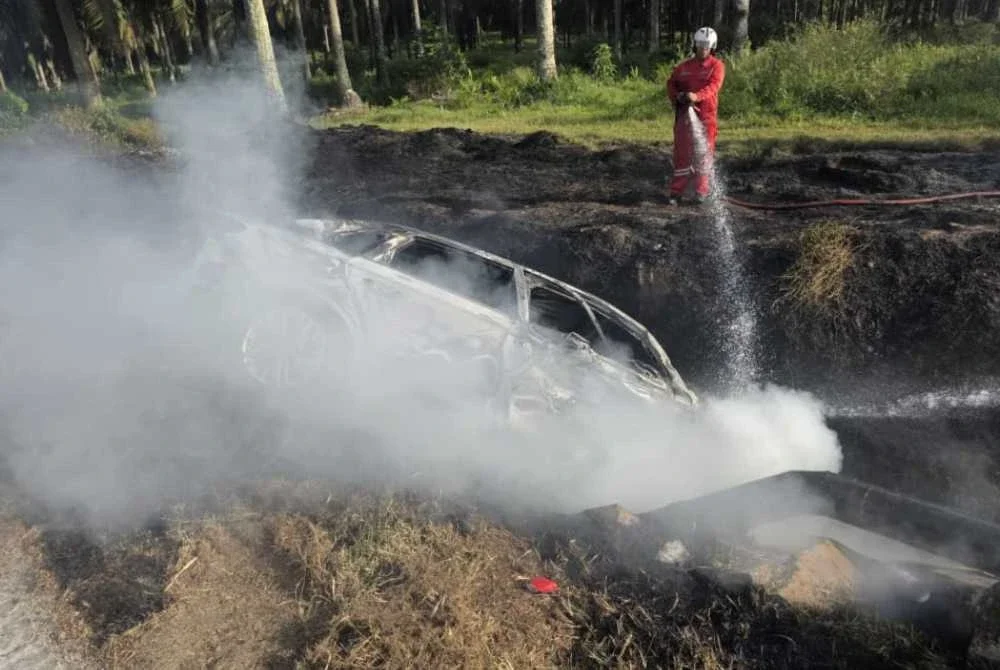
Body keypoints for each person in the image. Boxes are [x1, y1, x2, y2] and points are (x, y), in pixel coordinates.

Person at [666, 27, 726, 205]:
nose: (703, 48)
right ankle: (677, 191)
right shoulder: (684, 67)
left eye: (706, 45)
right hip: (684, 117)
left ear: (712, 46)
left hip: (706, 117)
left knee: (703, 153)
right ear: (695, 45)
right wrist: (677, 96)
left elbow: (713, 87)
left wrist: (696, 96)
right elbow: (671, 83)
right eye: (700, 45)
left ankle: (701, 191)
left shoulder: (716, 66)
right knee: (682, 154)